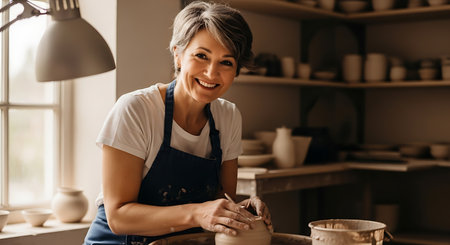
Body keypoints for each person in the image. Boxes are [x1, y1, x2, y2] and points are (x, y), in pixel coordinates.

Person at [83, 1, 272, 245]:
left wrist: (238, 210)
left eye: (226, 62)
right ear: (178, 54)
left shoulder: (229, 117)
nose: (212, 73)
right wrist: (197, 213)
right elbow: (119, 216)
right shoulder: (136, 110)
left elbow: (218, 199)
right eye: (201, 56)